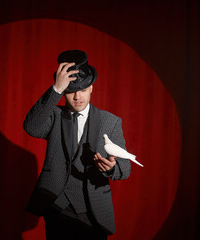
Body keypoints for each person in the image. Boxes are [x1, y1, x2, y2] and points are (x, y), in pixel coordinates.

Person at [23, 50, 131, 239]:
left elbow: (126, 168)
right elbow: (31, 127)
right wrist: (56, 89)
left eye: (82, 89)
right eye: (71, 91)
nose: (77, 97)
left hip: (93, 211)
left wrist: (111, 167)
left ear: (91, 88)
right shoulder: (55, 116)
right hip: (57, 206)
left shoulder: (110, 121)